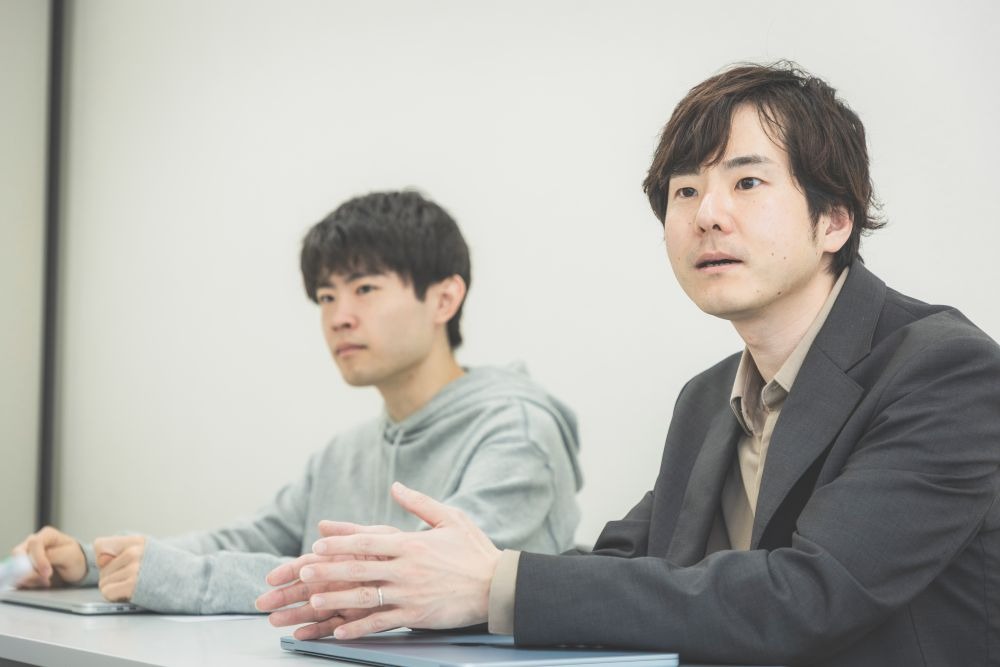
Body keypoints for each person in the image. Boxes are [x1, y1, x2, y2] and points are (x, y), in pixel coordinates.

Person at [257, 65, 1000, 666]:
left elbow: (810, 596)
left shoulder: (945, 371)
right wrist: (416, 584)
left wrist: (495, 583)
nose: (707, 214)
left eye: (746, 182)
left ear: (834, 220)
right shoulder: (709, 397)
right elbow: (628, 564)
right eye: (685, 191)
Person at [12, 190, 583, 614]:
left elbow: (410, 582)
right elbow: (247, 540)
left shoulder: (518, 431)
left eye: (364, 289)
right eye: (326, 296)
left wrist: (184, 579)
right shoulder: (345, 452)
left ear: (444, 299)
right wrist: (95, 561)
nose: (339, 317)